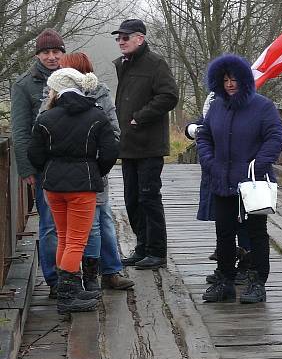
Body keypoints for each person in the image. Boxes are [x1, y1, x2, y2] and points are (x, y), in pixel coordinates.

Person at [28, 68, 119, 314]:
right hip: (83, 186)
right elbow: (111, 151)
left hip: (53, 187)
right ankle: (68, 296)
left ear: (57, 89)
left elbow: (34, 154)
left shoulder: (46, 118)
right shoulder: (96, 116)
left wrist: (49, 170)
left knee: (64, 237)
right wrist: (95, 170)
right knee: (77, 240)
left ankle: (66, 287)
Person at [196, 54, 282, 304]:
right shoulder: (216, 107)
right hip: (222, 180)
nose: (230, 84)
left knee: (256, 233)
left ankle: (257, 282)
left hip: (253, 183)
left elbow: (275, 138)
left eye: (234, 78)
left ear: (243, 80)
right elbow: (204, 136)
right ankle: (225, 280)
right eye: (225, 79)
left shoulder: (263, 106)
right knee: (224, 233)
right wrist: (210, 162)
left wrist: (258, 165)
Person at [54, 53, 134, 291]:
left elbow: (113, 133)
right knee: (86, 227)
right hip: (68, 176)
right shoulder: (54, 95)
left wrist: (97, 166)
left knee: (100, 222)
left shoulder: (100, 94)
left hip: (92, 172)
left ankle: (101, 275)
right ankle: (83, 279)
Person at [112, 19, 179, 270]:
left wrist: (140, 116)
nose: (120, 41)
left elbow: (169, 96)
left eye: (125, 37)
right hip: (128, 145)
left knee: (149, 197)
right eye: (118, 37)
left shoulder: (155, 63)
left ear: (140, 38)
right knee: (131, 199)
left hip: (149, 145)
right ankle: (142, 247)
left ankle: (157, 251)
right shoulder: (124, 65)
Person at [11, 29, 65, 298]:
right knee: (49, 223)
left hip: (74, 162)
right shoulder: (24, 84)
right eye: (46, 52)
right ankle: (54, 279)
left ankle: (74, 274)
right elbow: (19, 132)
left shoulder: (71, 78)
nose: (52, 57)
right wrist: (26, 168)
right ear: (37, 55)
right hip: (44, 165)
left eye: (56, 52)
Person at [184, 92, 252, 285]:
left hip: (238, 171)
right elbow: (199, 125)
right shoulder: (213, 100)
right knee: (223, 220)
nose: (229, 84)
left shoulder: (246, 104)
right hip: (215, 171)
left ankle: (246, 263)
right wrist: (194, 129)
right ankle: (225, 265)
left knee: (242, 218)